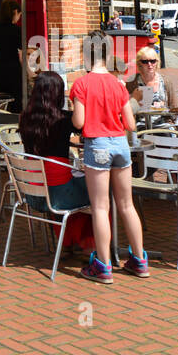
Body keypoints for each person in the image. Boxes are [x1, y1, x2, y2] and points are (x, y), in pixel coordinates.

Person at [70, 31, 147, 282]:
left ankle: (103, 265)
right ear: (107, 53)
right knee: (126, 205)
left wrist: (75, 114)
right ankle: (139, 261)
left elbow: (79, 122)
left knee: (100, 207)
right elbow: (132, 124)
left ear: (86, 54)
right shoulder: (118, 83)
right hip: (121, 145)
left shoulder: (81, 84)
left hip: (98, 146)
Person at [19, 71, 93, 253]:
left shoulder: (24, 118)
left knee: (72, 182)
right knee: (98, 191)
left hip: (34, 192)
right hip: (57, 195)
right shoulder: (63, 119)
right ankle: (90, 246)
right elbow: (83, 124)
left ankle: (67, 242)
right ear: (58, 94)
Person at [126, 47, 176, 112]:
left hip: (163, 120)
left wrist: (164, 105)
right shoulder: (132, 81)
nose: (149, 64)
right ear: (139, 63)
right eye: (145, 62)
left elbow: (173, 106)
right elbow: (126, 107)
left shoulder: (166, 81)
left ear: (157, 62)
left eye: (152, 61)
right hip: (140, 120)